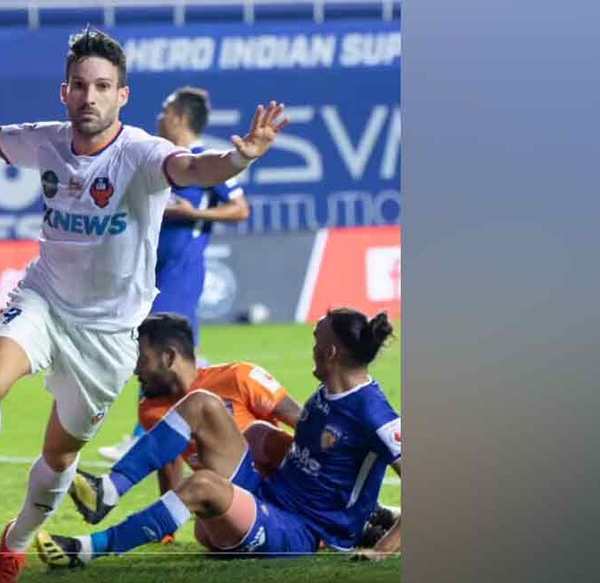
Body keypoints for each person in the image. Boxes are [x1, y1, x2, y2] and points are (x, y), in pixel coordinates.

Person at [0, 27, 290, 582]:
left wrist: (238, 159)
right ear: (65, 92)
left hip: (108, 335)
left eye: (103, 86)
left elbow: (196, 168)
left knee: (59, 458)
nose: (90, 96)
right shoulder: (47, 140)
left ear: (122, 96)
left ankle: (15, 543)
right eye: (80, 85)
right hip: (44, 300)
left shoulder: (142, 152)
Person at [36, 308, 402, 568]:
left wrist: (384, 551)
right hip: (271, 495)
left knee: (204, 486)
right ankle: (108, 492)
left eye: (315, 339)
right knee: (201, 403)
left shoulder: (373, 413)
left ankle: (86, 550)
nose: (311, 347)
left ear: (331, 351)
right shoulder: (326, 393)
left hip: (303, 529)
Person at [98, 87, 252, 463]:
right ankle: (218, 417)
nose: (159, 117)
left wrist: (193, 215)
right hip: (150, 272)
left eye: (166, 110)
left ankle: (144, 435)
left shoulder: (205, 163)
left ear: (181, 118)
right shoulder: (163, 162)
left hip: (181, 272)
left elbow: (240, 210)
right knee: (175, 354)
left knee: (153, 347)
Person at [74, 312, 301, 528]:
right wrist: (168, 529)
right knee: (204, 529)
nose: (136, 370)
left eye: (142, 359)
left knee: (247, 431)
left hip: (282, 497)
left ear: (169, 357)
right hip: (230, 506)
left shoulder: (239, 377)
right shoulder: (152, 409)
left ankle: (109, 493)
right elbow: (168, 465)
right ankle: (103, 512)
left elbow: (303, 424)